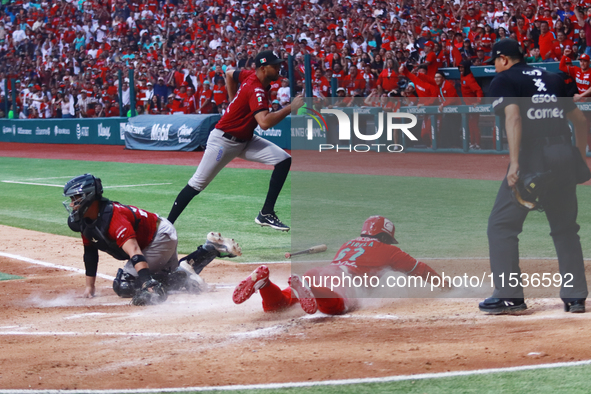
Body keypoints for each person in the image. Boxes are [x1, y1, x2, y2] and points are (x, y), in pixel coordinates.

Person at [480, 39, 589, 315]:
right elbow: (580, 121)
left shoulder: (503, 80)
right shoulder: (553, 78)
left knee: (502, 225)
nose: (494, 67)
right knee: (565, 228)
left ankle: (509, 296)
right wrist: (577, 156)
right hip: (563, 152)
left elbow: (514, 118)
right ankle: (575, 297)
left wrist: (515, 163)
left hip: (533, 158)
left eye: (494, 61)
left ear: (503, 59)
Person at [167, 50, 303, 231]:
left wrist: (232, 100)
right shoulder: (256, 89)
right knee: (196, 185)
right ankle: (166, 227)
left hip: (245, 139)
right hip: (223, 141)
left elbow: (229, 73)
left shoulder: (250, 75)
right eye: (275, 65)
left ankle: (266, 213)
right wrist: (289, 108)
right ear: (263, 68)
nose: (279, 68)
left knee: (284, 159)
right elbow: (263, 123)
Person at [63, 174, 242, 305]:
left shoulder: (113, 218)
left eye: (75, 199)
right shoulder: (87, 221)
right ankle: (208, 250)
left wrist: (148, 282)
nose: (72, 204)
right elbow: (90, 253)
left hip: (159, 238)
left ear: (89, 198)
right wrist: (90, 288)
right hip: (155, 238)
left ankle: (184, 274)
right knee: (166, 277)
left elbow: (134, 251)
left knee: (125, 285)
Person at [233, 216, 447, 315]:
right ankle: (312, 291)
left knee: (277, 307)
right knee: (338, 306)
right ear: (385, 236)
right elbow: (421, 270)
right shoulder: (390, 250)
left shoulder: (349, 243)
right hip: (343, 281)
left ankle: (264, 284)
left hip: (320, 273)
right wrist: (446, 286)